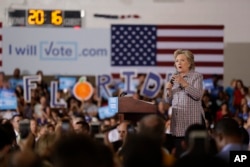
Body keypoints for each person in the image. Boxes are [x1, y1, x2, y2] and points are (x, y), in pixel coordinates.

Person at [165, 49, 205, 158]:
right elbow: (169, 101)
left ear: (189, 63)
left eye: (182, 60)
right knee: (179, 154)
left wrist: (183, 83)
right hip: (177, 123)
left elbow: (197, 95)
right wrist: (168, 91)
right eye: (177, 60)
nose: (178, 63)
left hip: (190, 122)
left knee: (193, 155)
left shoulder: (196, 76)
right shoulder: (173, 77)